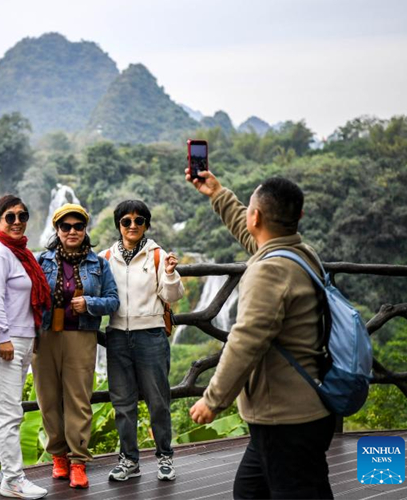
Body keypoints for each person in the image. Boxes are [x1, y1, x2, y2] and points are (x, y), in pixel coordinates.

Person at [186, 169, 335, 499]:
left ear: (256, 216)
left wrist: (213, 400)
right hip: (302, 407)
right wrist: (217, 194)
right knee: (251, 490)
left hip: (285, 418)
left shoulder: (270, 270)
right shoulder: (300, 253)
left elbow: (246, 340)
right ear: (299, 216)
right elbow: (254, 236)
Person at [33, 203, 119, 489]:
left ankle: (78, 461)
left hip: (81, 336)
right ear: (57, 230)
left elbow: (112, 300)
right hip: (46, 336)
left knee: (79, 399)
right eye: (66, 226)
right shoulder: (40, 262)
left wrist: (89, 304)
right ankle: (58, 457)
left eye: (78, 226)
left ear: (85, 230)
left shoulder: (99, 264)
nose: (72, 231)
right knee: (48, 398)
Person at [0, 195, 50, 499]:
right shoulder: (0, 254)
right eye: (10, 217)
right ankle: (13, 479)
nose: (17, 221)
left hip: (22, 337)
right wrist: (3, 337)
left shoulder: (21, 254)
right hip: (5, 340)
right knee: (8, 412)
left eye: (22, 215)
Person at [101, 200, 184, 482]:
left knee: (158, 400)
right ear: (119, 225)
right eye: (126, 221)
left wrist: (171, 274)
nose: (133, 226)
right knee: (123, 403)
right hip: (117, 337)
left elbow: (173, 296)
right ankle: (129, 461)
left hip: (150, 334)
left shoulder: (158, 256)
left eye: (139, 221)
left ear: (146, 224)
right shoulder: (106, 257)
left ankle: (164, 457)